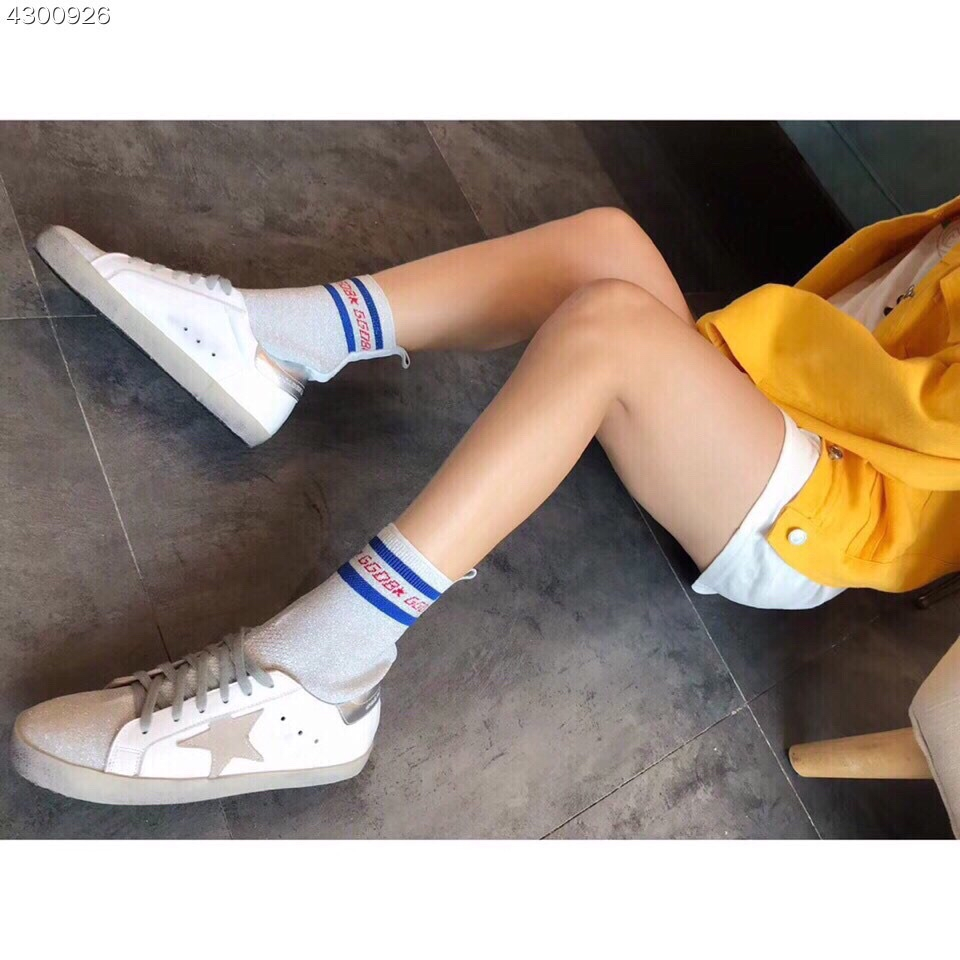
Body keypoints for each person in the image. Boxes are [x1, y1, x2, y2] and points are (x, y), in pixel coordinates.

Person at [11, 198, 960, 805]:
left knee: (611, 331)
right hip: (780, 409)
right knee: (610, 241)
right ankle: (272, 343)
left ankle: (325, 675)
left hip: (822, 508)